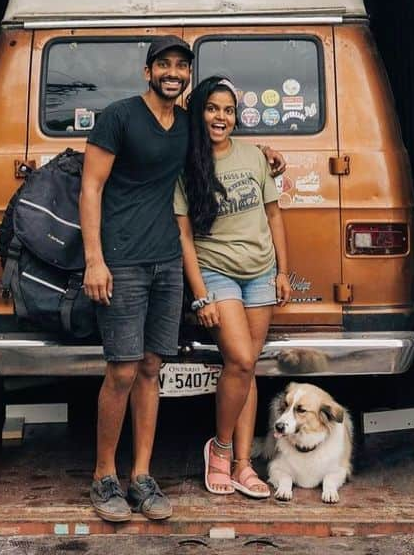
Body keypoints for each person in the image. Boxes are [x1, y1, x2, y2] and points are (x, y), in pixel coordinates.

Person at [80, 36, 284, 523]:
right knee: (122, 371)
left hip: (168, 262)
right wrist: (94, 260)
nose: (173, 73)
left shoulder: (188, 122)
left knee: (152, 369)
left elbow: (225, 133)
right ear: (148, 70)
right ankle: (104, 475)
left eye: (181, 67)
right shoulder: (119, 117)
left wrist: (270, 153)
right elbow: (91, 186)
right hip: (122, 261)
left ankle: (142, 476)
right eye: (164, 65)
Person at [175, 75, 292, 499]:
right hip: (217, 272)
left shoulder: (255, 157)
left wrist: (282, 271)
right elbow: (184, 236)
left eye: (227, 110)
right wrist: (201, 293)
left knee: (247, 368)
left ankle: (244, 465)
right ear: (199, 113)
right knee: (241, 358)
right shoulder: (186, 165)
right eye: (211, 109)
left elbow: (274, 215)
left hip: (260, 271)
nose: (220, 117)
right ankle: (220, 449)